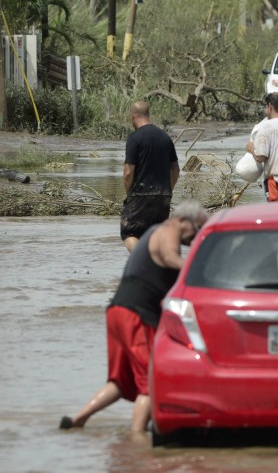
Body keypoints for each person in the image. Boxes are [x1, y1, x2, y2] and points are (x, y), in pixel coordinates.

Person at [60, 200, 208, 432]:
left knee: (122, 382)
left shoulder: (154, 233)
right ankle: (137, 438)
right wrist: (202, 268)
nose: (196, 238)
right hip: (136, 315)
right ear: (182, 220)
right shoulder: (166, 230)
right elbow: (170, 258)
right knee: (151, 381)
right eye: (198, 230)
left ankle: (77, 420)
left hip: (118, 312)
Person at [120, 100, 180, 253]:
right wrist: (167, 191)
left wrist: (129, 195)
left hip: (140, 195)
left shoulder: (135, 138)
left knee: (129, 233)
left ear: (133, 116)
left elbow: (128, 173)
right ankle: (159, 269)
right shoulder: (165, 138)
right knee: (156, 235)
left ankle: (144, 261)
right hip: (163, 195)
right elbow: (175, 169)